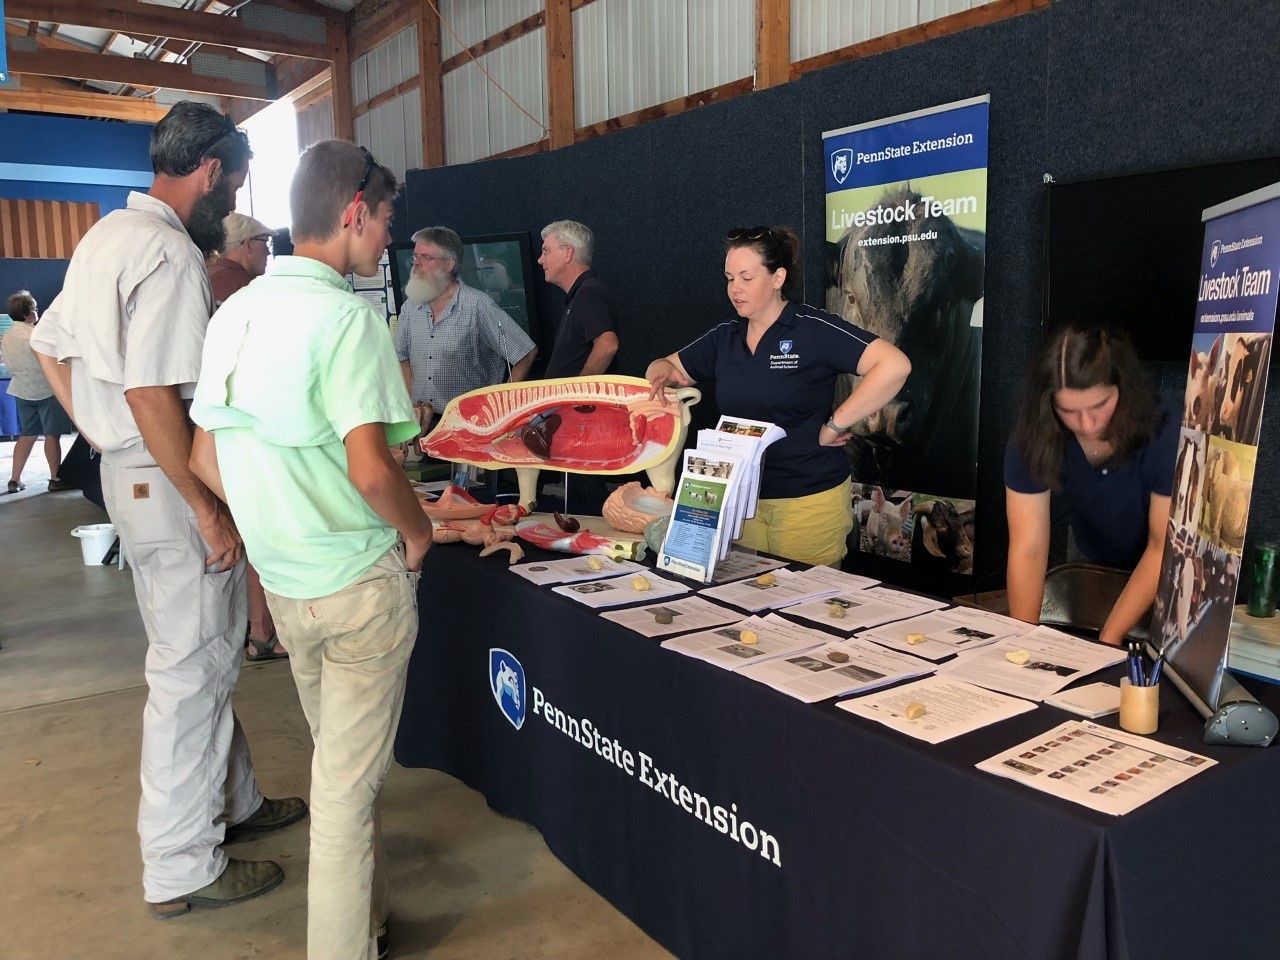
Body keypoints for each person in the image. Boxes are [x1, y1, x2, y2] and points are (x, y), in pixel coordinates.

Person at [30, 101, 305, 919]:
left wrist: (103, 433)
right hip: (167, 480)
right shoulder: (171, 255)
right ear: (211, 170)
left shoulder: (106, 236)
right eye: (238, 183)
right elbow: (154, 391)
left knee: (203, 654)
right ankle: (182, 864)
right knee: (190, 674)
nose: (236, 208)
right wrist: (206, 505)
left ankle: (236, 802)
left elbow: (51, 348)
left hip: (132, 476)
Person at [191, 140, 432, 960]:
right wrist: (421, 531)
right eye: (388, 223)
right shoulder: (347, 319)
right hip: (359, 587)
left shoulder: (233, 315)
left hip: (289, 588)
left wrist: (273, 520)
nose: (389, 242)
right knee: (342, 793)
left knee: (341, 768)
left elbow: (203, 459)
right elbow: (373, 470)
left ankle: (367, 920)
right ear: (355, 213)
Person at [646, 225, 911, 567]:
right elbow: (668, 366)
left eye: (746, 278)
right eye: (729, 279)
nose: (734, 290)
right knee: (744, 606)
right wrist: (658, 374)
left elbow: (894, 365)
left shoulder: (812, 329)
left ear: (777, 278)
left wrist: (836, 422)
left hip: (807, 503)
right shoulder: (725, 337)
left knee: (807, 611)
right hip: (741, 503)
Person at [1004, 324, 1177, 645]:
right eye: (1069, 411)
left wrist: (1109, 639)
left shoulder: (1163, 428)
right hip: (1091, 569)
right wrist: (1021, 640)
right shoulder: (1035, 434)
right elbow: (1029, 547)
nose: (1086, 424)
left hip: (1166, 578)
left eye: (1099, 406)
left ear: (1121, 389)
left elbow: (1161, 548)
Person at [204, 211, 288, 662]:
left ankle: (245, 629)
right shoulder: (245, 291)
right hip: (249, 430)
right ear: (247, 245)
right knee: (258, 530)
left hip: (212, 429)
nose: (269, 254)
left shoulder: (206, 279)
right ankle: (263, 632)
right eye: (265, 245)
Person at [395, 226, 537, 427]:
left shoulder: (478, 305)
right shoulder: (410, 308)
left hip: (468, 425)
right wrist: (411, 410)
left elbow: (526, 353)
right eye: (415, 256)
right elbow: (402, 360)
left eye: (426, 258)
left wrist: (502, 409)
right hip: (422, 427)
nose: (416, 264)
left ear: (449, 264)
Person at [537, 220, 620, 513]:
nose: (540, 259)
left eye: (546, 251)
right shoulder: (579, 295)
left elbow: (608, 343)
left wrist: (575, 395)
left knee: (587, 508)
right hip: (575, 426)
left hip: (582, 426)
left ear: (568, 253)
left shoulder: (589, 292)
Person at [2, 291, 75, 493]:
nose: (37, 311)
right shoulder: (36, 335)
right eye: (34, 309)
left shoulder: (7, 336)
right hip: (47, 390)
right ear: (27, 314)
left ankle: (14, 480)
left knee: (27, 435)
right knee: (52, 435)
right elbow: (52, 362)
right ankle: (55, 478)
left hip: (22, 390)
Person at [209, 212, 272, 305]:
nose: (268, 252)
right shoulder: (249, 287)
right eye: (265, 243)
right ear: (249, 245)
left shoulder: (206, 276)